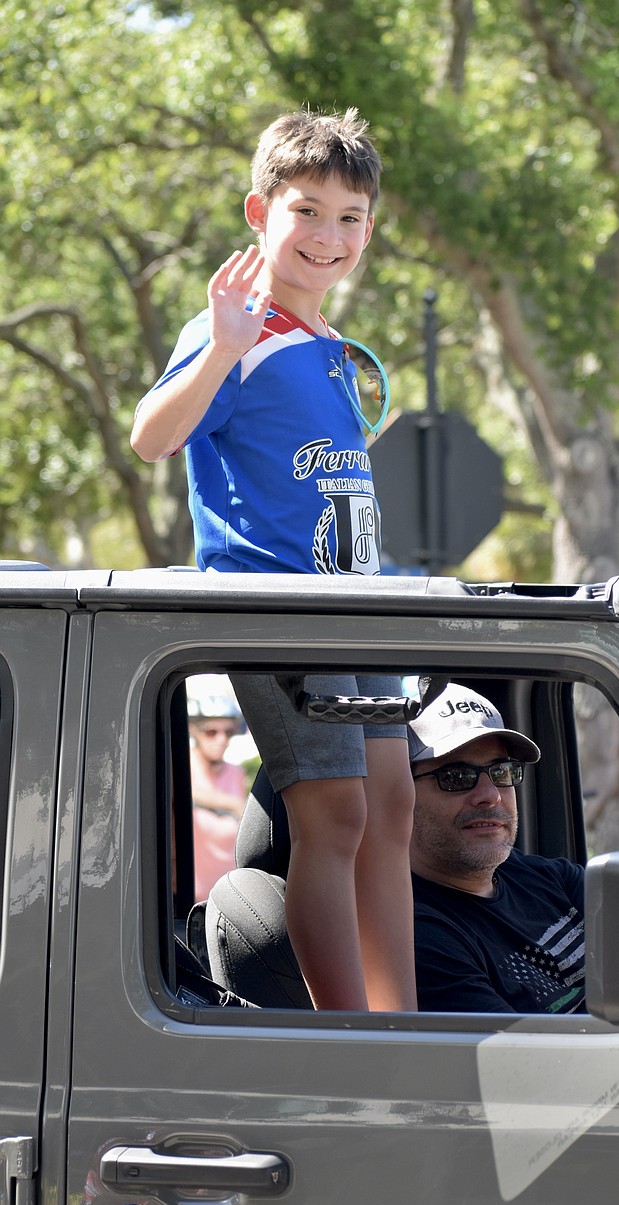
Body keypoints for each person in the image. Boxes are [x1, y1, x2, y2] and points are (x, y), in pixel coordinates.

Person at [131, 108, 416, 1013]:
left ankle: (403, 1022)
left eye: (350, 218)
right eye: (307, 211)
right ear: (260, 213)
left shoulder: (329, 346)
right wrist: (220, 345)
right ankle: (352, 1035)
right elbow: (150, 438)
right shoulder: (234, 331)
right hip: (281, 607)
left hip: (356, 607)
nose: (329, 235)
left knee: (392, 805)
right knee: (334, 812)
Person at [407, 684, 585, 1014]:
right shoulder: (419, 935)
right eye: (456, 775)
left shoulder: (554, 879)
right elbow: (524, 1061)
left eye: (501, 771)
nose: (491, 794)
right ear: (399, 793)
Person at [187, 682, 248, 903]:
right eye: (211, 731)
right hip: (189, 896)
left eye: (228, 732)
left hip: (225, 898)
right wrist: (231, 803)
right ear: (194, 730)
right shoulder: (181, 764)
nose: (221, 740)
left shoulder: (235, 771)